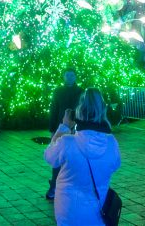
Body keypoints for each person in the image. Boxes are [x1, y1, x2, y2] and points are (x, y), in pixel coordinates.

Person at [44, 88, 121, 226]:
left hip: (68, 209)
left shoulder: (67, 142)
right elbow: (115, 165)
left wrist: (64, 127)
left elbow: (49, 157)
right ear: (103, 110)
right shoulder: (111, 143)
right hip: (98, 210)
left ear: (78, 111)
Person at [46, 68, 83, 199]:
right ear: (63, 76)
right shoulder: (58, 91)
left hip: (76, 127)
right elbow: (54, 109)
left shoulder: (80, 92)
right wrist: (52, 129)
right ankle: (54, 185)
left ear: (76, 76)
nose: (69, 77)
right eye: (67, 75)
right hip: (60, 126)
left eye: (72, 75)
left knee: (73, 157)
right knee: (58, 155)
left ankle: (70, 185)